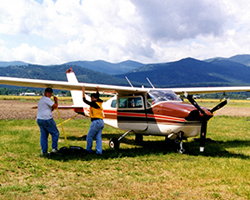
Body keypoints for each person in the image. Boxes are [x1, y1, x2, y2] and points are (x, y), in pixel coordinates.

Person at [37, 87, 59, 155]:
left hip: (40, 119)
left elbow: (50, 109)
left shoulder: (41, 100)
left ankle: (44, 151)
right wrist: (56, 101)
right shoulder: (47, 99)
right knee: (55, 133)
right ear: (45, 93)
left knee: (44, 136)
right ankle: (54, 149)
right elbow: (55, 106)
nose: (50, 94)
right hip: (47, 119)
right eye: (48, 93)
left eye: (50, 93)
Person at [82, 86, 104, 154]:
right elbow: (98, 96)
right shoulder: (99, 103)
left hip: (96, 122)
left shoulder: (94, 103)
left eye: (93, 98)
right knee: (98, 137)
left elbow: (84, 100)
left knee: (89, 136)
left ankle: (89, 150)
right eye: (91, 97)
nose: (92, 99)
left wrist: (83, 90)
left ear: (95, 98)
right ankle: (99, 151)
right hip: (101, 122)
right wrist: (97, 90)